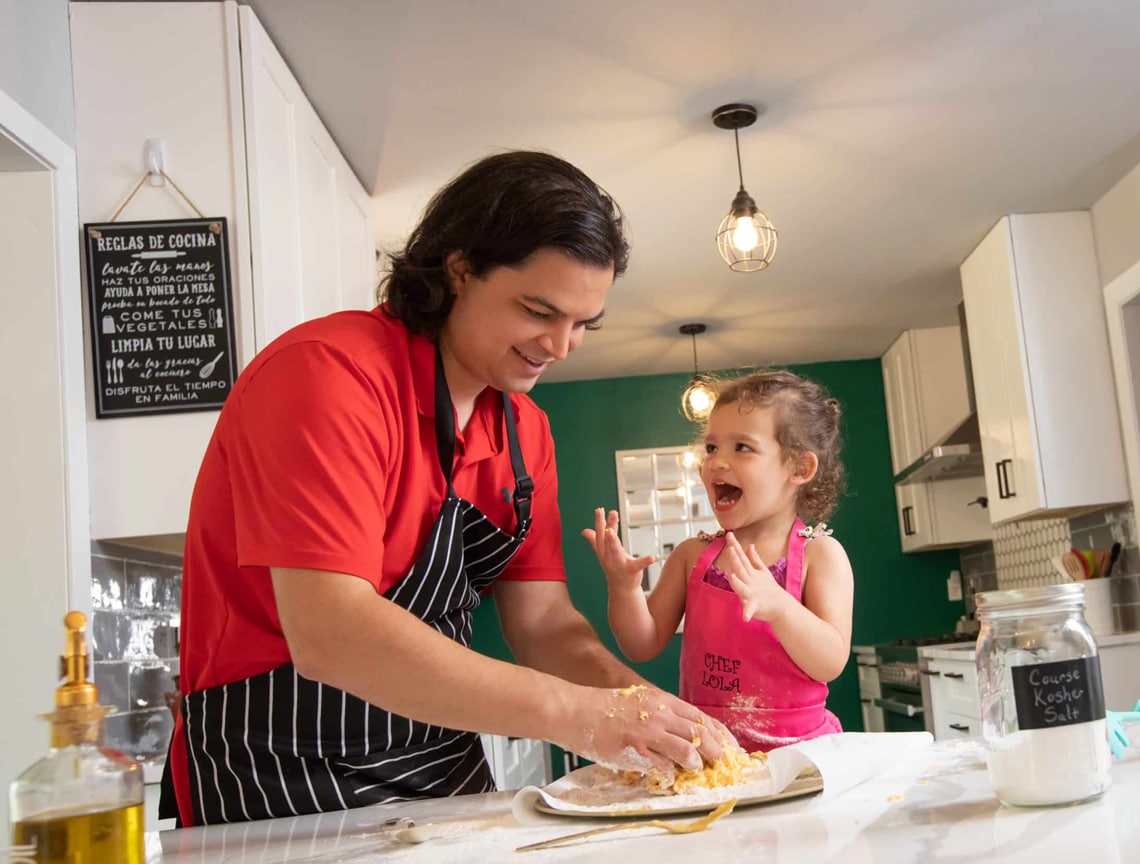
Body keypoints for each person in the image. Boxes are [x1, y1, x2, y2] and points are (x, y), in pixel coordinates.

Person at [166, 151, 731, 827]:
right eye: (538, 310)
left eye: (583, 323)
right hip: (277, 763)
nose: (561, 346)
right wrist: (575, 714)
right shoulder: (327, 376)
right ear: (458, 269)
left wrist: (649, 711)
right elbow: (330, 631)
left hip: (436, 748)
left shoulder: (526, 432)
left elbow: (545, 623)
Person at [586, 370, 854, 751]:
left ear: (799, 469)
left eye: (741, 447)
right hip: (711, 750)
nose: (716, 463)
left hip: (800, 753)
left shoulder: (820, 554)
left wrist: (780, 608)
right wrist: (624, 588)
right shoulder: (691, 555)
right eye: (712, 448)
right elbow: (641, 644)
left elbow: (830, 662)